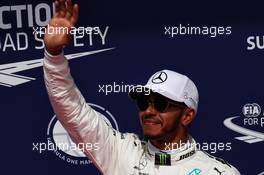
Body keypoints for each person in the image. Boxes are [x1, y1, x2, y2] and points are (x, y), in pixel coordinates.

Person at [43, 0, 241, 174]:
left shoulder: (218, 172)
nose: (148, 111)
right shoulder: (122, 151)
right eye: (144, 102)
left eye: (161, 104)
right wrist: (54, 55)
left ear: (187, 115)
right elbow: (73, 112)